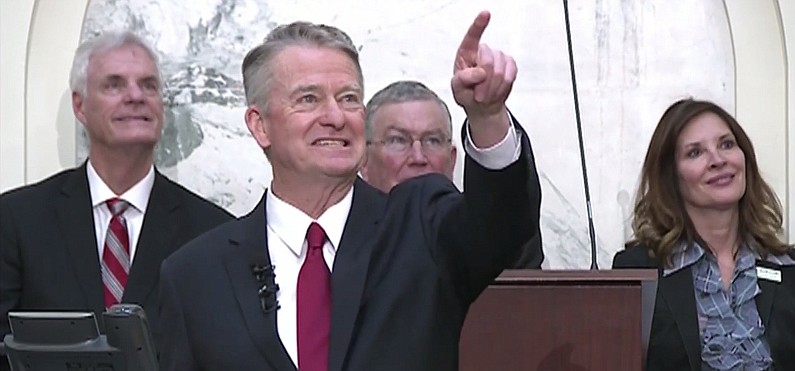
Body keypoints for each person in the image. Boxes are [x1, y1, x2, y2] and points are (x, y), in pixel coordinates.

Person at [159, 10, 541, 371]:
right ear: (260, 125)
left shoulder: (419, 227)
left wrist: (487, 116)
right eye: (308, 99)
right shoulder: (194, 275)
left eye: (348, 98)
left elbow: (501, 229)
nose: (336, 117)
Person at [0, 31, 233, 363]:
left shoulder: (212, 232)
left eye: (149, 85)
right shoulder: (17, 220)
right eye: (114, 84)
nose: (135, 95)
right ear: (80, 106)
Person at [613, 98, 795, 370]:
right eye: (695, 153)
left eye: (726, 144)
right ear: (670, 176)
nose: (718, 160)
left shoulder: (789, 268)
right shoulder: (638, 271)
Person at [361, 80, 544, 268]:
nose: (418, 157)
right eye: (398, 140)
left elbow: (507, 219)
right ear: (364, 161)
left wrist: (487, 117)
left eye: (432, 141)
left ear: (452, 159)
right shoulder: (337, 237)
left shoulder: (480, 233)